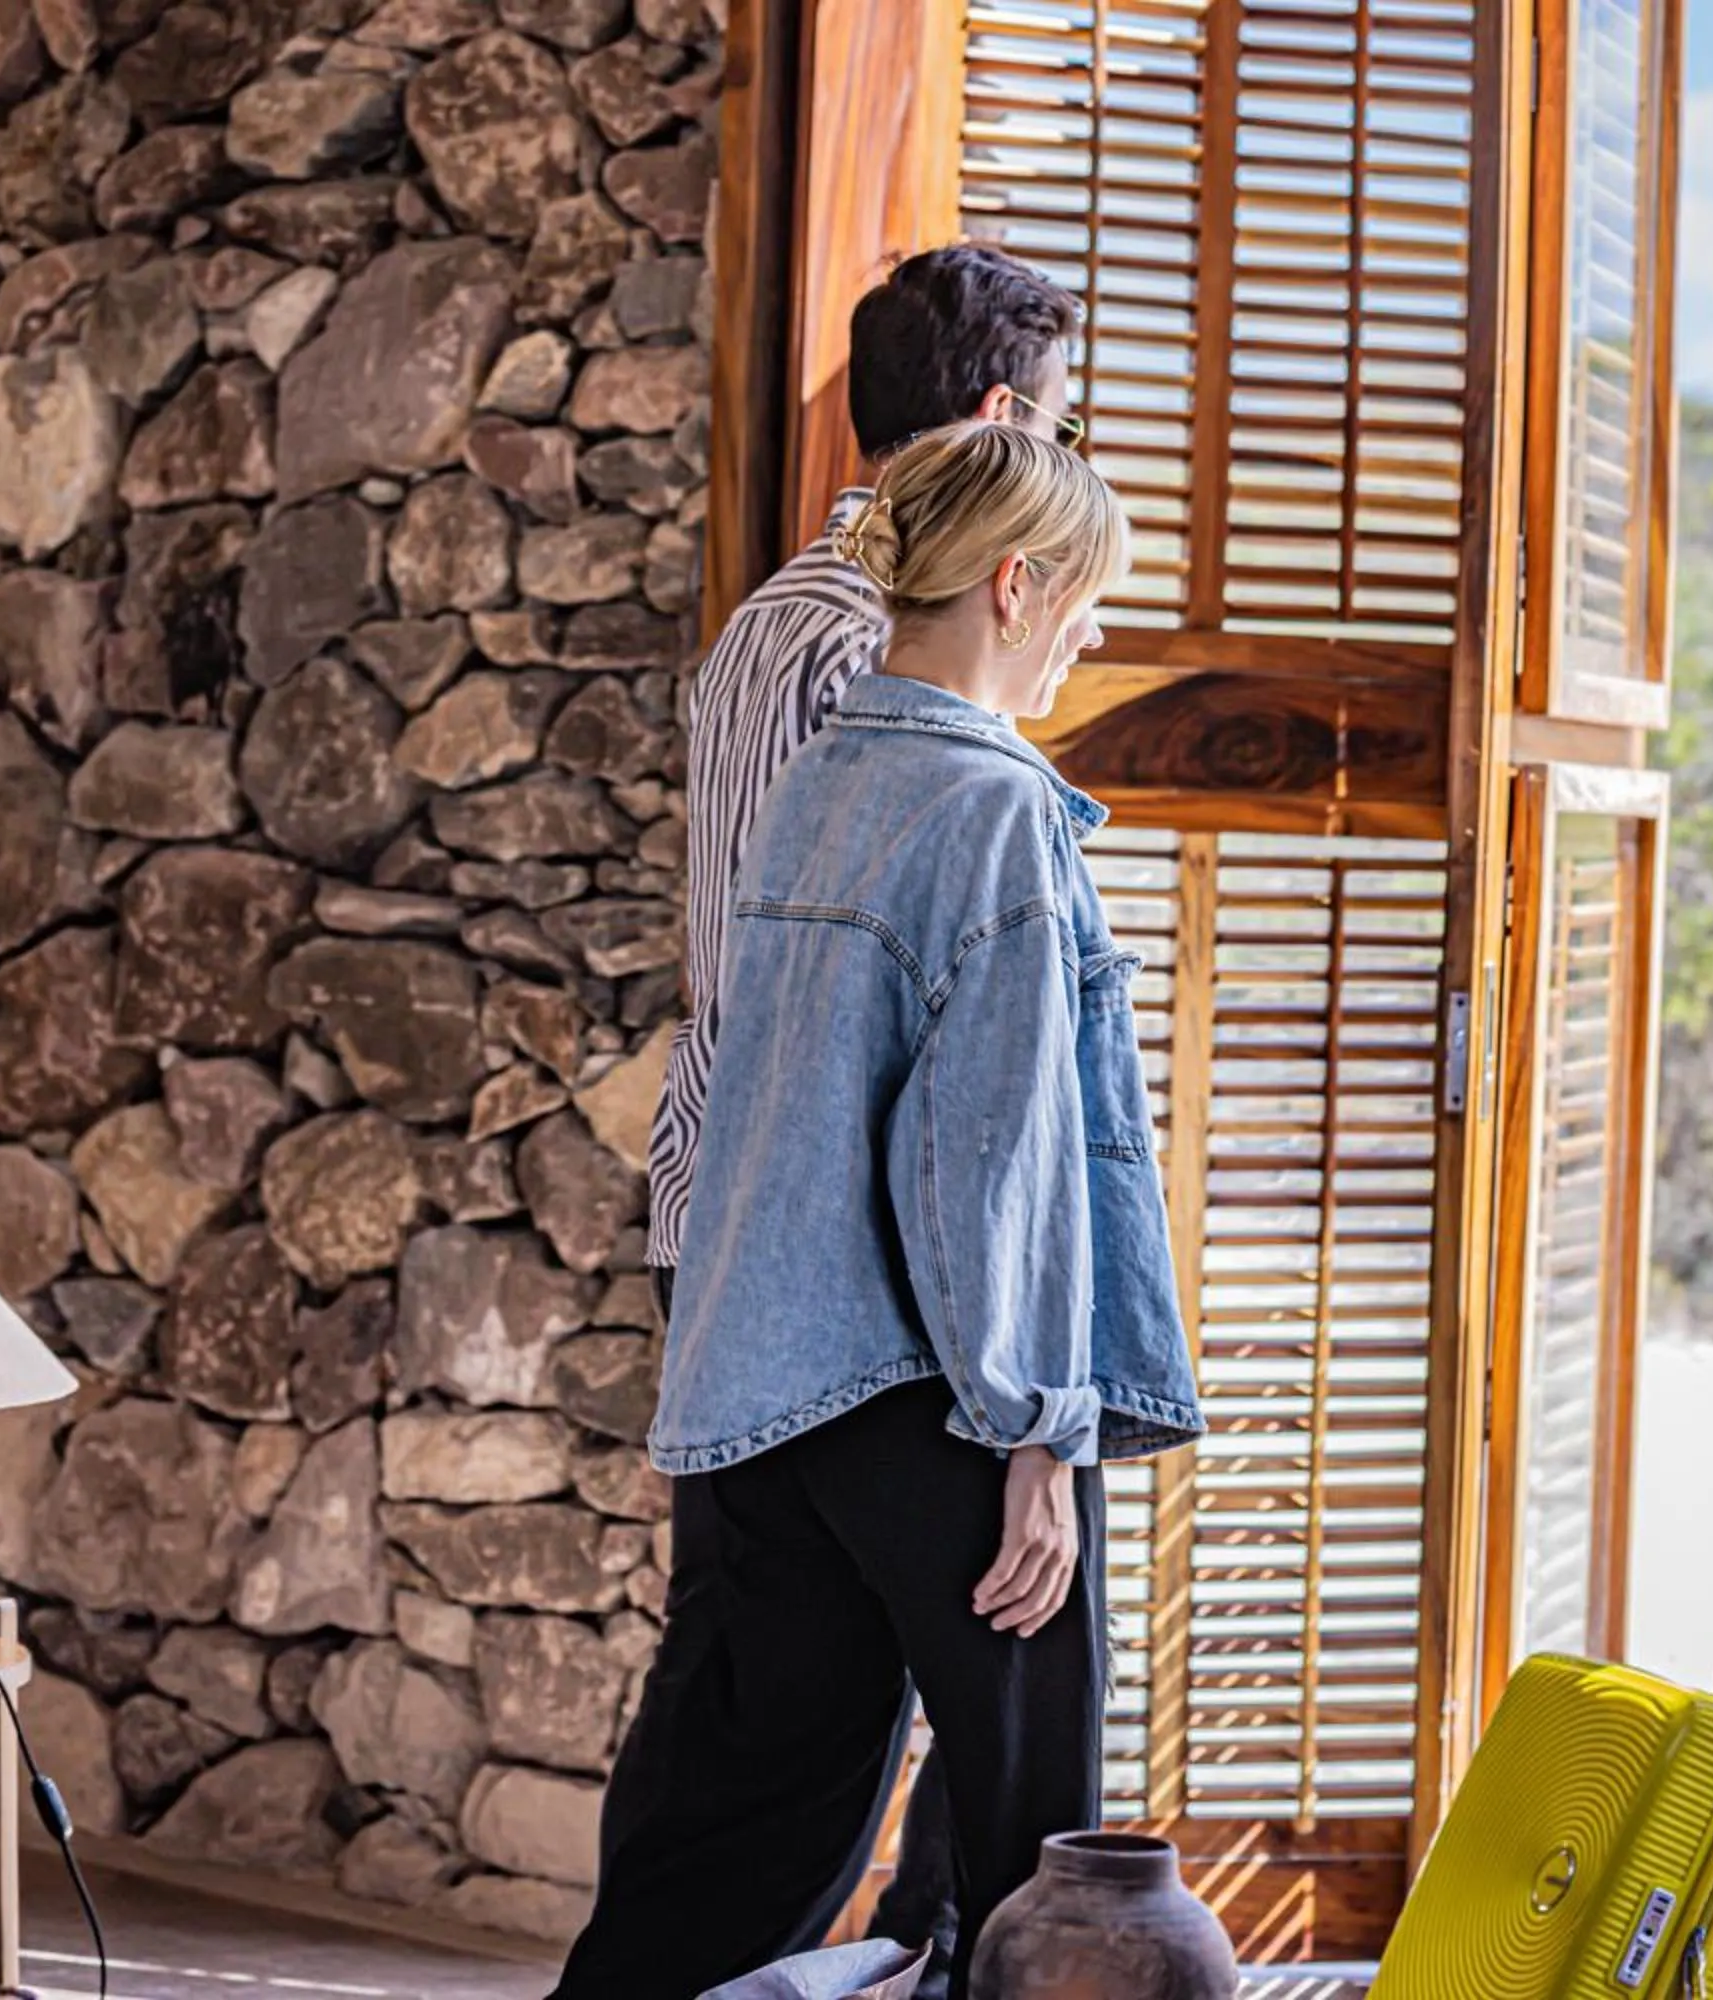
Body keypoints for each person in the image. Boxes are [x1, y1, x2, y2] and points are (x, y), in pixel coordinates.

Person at [555, 422, 1203, 2000]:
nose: (1096, 632)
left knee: (736, 1826)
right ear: (1013, 584)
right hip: (939, 1397)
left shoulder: (823, 775)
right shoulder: (991, 810)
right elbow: (992, 1155)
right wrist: (1038, 1433)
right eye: (1089, 601)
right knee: (1040, 1851)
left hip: (763, 1384)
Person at [637, 243, 1084, 1992]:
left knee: (767, 1744)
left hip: (770, 1250)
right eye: (1060, 423)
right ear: (994, 424)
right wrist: (1021, 1390)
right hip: (864, 1281)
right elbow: (821, 1035)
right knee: (922, 1761)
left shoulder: (784, 632)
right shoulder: (870, 678)